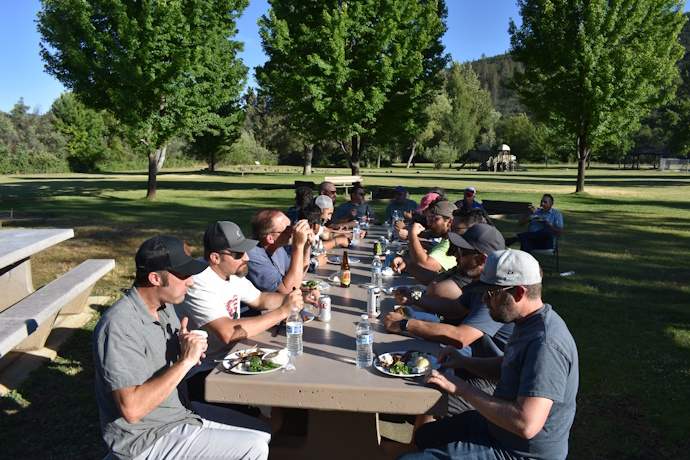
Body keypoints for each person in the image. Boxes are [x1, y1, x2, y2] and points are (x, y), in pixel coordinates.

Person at [94, 235, 270, 460]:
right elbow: (132, 409)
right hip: (144, 439)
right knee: (253, 447)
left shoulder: (164, 307)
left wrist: (184, 345)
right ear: (155, 278)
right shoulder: (119, 326)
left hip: (180, 413)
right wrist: (184, 361)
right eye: (184, 275)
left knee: (261, 431)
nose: (192, 282)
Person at [404, 249, 579, 460]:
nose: (484, 302)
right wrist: (464, 361)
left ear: (519, 293)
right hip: (496, 427)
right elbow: (509, 365)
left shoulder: (546, 343)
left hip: (518, 451)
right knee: (425, 436)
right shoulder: (527, 321)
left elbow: (526, 425)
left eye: (490, 294)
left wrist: (462, 388)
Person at [174, 222, 305, 423]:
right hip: (203, 375)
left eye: (245, 250)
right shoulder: (199, 281)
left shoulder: (231, 274)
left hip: (229, 360)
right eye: (238, 254)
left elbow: (260, 299)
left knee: (288, 391)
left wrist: (294, 298)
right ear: (215, 258)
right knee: (272, 420)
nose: (246, 257)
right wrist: (282, 312)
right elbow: (228, 333)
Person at [385, 224, 512, 423]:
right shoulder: (480, 283)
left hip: (495, 383)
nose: (456, 256)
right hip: (475, 366)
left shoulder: (498, 293)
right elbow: (454, 309)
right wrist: (414, 299)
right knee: (412, 366)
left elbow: (461, 338)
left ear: (481, 259)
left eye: (462, 252)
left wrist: (405, 324)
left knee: (430, 392)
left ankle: (416, 449)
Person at [394, 207, 493, 314]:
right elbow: (437, 279)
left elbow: (436, 290)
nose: (450, 230)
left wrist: (406, 324)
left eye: (454, 228)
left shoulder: (477, 265)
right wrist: (408, 266)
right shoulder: (462, 255)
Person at [246, 209, 314, 293]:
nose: (293, 232)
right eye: (287, 229)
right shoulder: (253, 256)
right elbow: (288, 290)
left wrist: (307, 247)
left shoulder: (277, 248)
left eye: (291, 225)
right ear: (270, 238)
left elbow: (297, 276)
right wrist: (298, 246)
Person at [390, 200, 458, 283]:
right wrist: (406, 264)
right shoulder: (445, 239)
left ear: (450, 222)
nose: (428, 223)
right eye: (428, 218)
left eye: (433, 219)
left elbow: (424, 263)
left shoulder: (452, 243)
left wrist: (412, 234)